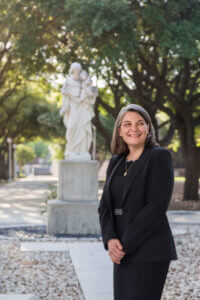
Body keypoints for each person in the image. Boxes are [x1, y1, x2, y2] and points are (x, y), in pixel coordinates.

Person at [98, 104, 177, 300]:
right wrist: (110, 239)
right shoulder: (116, 161)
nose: (134, 129)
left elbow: (156, 207)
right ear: (120, 131)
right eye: (127, 124)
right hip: (121, 252)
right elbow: (105, 207)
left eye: (140, 123)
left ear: (148, 128)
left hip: (149, 251)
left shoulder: (159, 157)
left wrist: (123, 245)